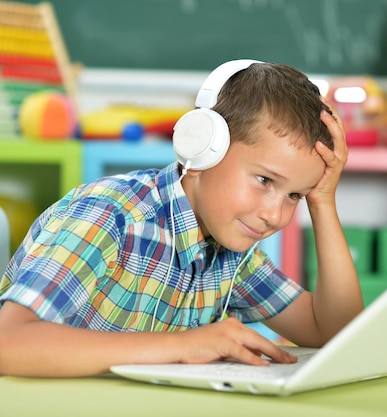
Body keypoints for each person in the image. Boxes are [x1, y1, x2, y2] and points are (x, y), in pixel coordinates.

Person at [0, 60, 363, 377]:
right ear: (202, 147)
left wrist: (323, 200)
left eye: (294, 196)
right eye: (265, 180)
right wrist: (181, 346)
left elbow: (333, 331)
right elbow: (8, 343)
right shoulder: (109, 216)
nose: (273, 215)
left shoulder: (231, 251)